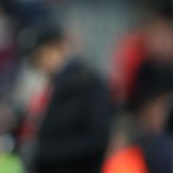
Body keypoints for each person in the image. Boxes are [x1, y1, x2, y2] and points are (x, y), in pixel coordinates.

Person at [18, 21, 113, 173]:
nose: (38, 65)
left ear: (58, 47)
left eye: (39, 56)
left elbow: (97, 140)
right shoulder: (51, 88)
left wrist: (44, 151)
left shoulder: (89, 84)